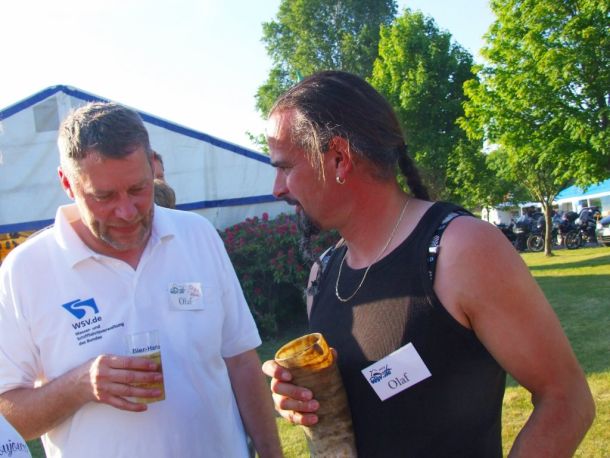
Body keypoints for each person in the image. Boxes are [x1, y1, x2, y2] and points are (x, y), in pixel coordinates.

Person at [261, 71, 595, 457]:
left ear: (339, 158)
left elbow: (566, 400)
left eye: (285, 167)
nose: (277, 188)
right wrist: (305, 399)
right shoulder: (323, 273)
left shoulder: (459, 249)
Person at [0, 102, 282, 458]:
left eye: (138, 189)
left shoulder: (197, 235)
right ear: (67, 183)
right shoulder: (25, 271)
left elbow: (240, 360)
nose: (126, 212)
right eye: (103, 196)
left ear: (153, 168)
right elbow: (8, 415)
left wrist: (272, 453)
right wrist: (80, 384)